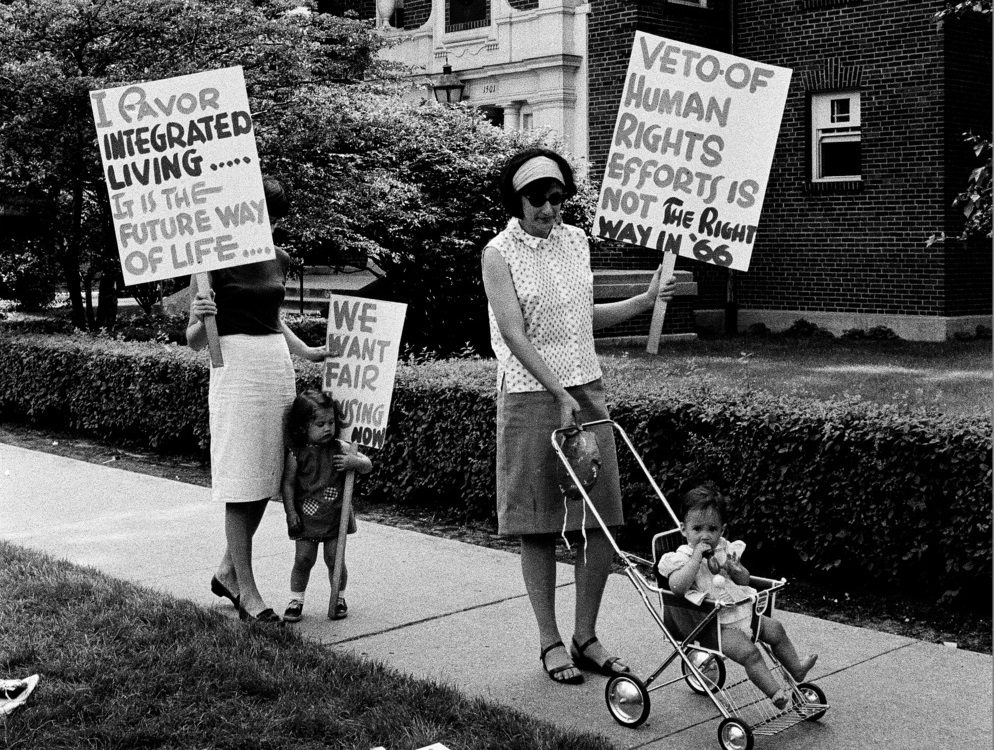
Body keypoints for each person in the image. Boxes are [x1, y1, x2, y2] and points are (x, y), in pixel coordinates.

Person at [482, 146, 678, 685]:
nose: (548, 207)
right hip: (530, 396)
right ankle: (549, 642)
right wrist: (555, 391)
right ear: (516, 199)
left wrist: (645, 299)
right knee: (539, 525)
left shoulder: (576, 243)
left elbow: (580, 315)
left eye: (556, 196)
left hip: (585, 388)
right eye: (536, 198)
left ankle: (585, 637)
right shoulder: (498, 253)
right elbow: (512, 331)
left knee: (601, 521)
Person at [188, 176, 328, 624]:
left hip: (274, 368)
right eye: (257, 210)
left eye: (270, 213)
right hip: (235, 367)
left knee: (268, 476)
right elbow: (194, 341)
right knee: (240, 478)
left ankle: (229, 570)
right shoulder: (208, 261)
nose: (263, 220)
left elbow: (274, 317)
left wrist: (305, 350)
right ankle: (246, 590)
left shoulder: (278, 257)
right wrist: (200, 318)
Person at [657, 479, 818, 708]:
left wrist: (736, 569)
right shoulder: (680, 558)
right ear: (684, 530)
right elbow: (676, 588)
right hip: (715, 625)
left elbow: (744, 580)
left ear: (722, 530)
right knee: (750, 653)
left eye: (712, 529)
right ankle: (775, 693)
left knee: (776, 630)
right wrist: (695, 560)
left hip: (743, 610)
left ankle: (797, 669)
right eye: (697, 529)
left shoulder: (724, 549)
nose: (705, 536)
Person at [281, 389, 372, 622]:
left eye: (331, 422)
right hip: (306, 516)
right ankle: (296, 599)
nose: (328, 428)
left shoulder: (340, 448)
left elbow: (367, 465)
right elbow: (289, 484)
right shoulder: (297, 453)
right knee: (303, 559)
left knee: (335, 560)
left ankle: (338, 597)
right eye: (320, 423)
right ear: (303, 427)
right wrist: (290, 511)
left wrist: (354, 461)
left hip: (334, 516)